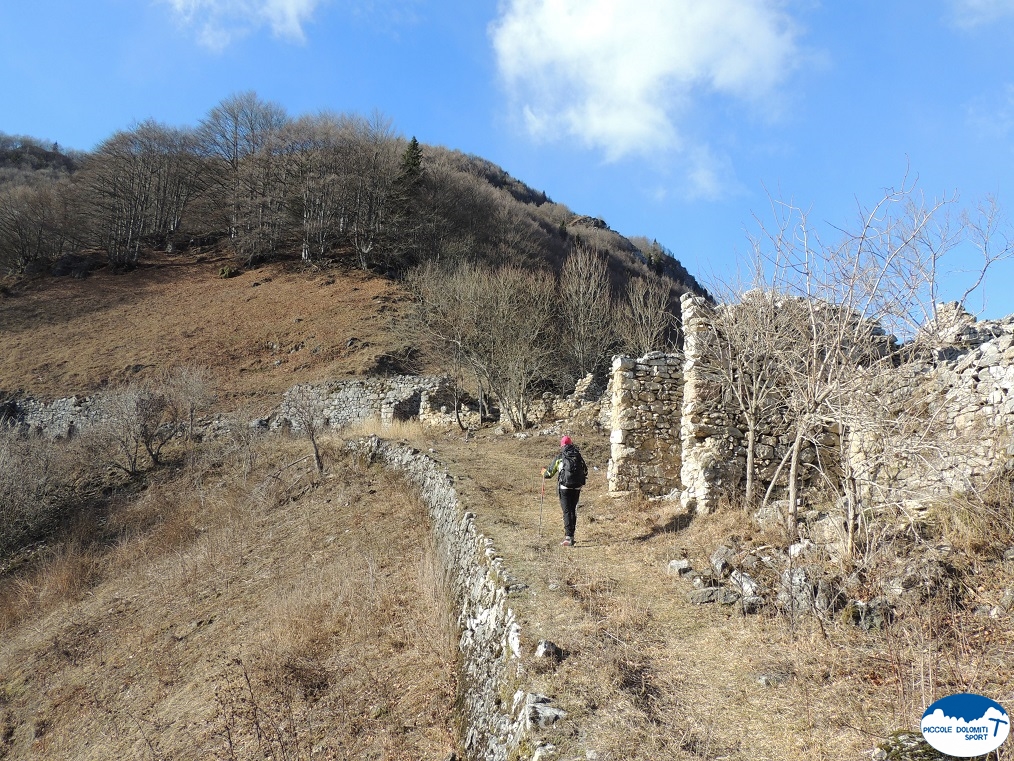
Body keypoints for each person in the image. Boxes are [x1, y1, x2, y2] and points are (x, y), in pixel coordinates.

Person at [542, 435, 587, 546]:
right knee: (573, 510)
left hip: (564, 488)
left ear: (562, 445)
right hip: (577, 487)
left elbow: (549, 474)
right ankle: (572, 535)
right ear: (571, 444)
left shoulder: (560, 457)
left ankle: (568, 537)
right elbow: (585, 471)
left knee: (567, 511)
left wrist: (543, 472)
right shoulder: (578, 456)